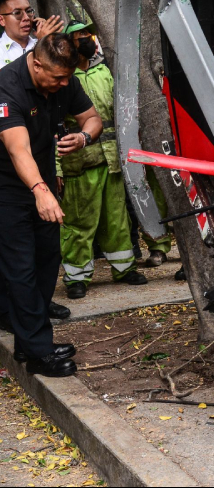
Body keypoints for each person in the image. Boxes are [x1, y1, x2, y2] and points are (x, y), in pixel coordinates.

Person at [0, 33, 102, 377]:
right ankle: (39, 352)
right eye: (57, 78)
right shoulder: (7, 86)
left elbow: (93, 118)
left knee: (47, 259)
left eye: (67, 78)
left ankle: (29, 342)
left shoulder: (63, 82)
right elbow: (18, 150)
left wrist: (84, 136)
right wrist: (41, 190)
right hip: (8, 188)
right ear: (37, 63)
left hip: (42, 182)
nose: (63, 84)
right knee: (21, 267)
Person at [55, 22, 148, 299]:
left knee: (117, 219)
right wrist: (57, 167)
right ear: (69, 43)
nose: (86, 39)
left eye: (88, 35)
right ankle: (76, 278)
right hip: (79, 162)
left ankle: (124, 268)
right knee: (79, 221)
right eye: (80, 35)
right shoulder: (65, 78)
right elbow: (54, 128)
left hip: (112, 160)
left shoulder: (104, 71)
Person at [0, 0, 64, 66]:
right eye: (17, 13)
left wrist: (50, 42)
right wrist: (40, 45)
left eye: (29, 11)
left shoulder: (42, 42)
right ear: (2, 20)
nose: (26, 17)